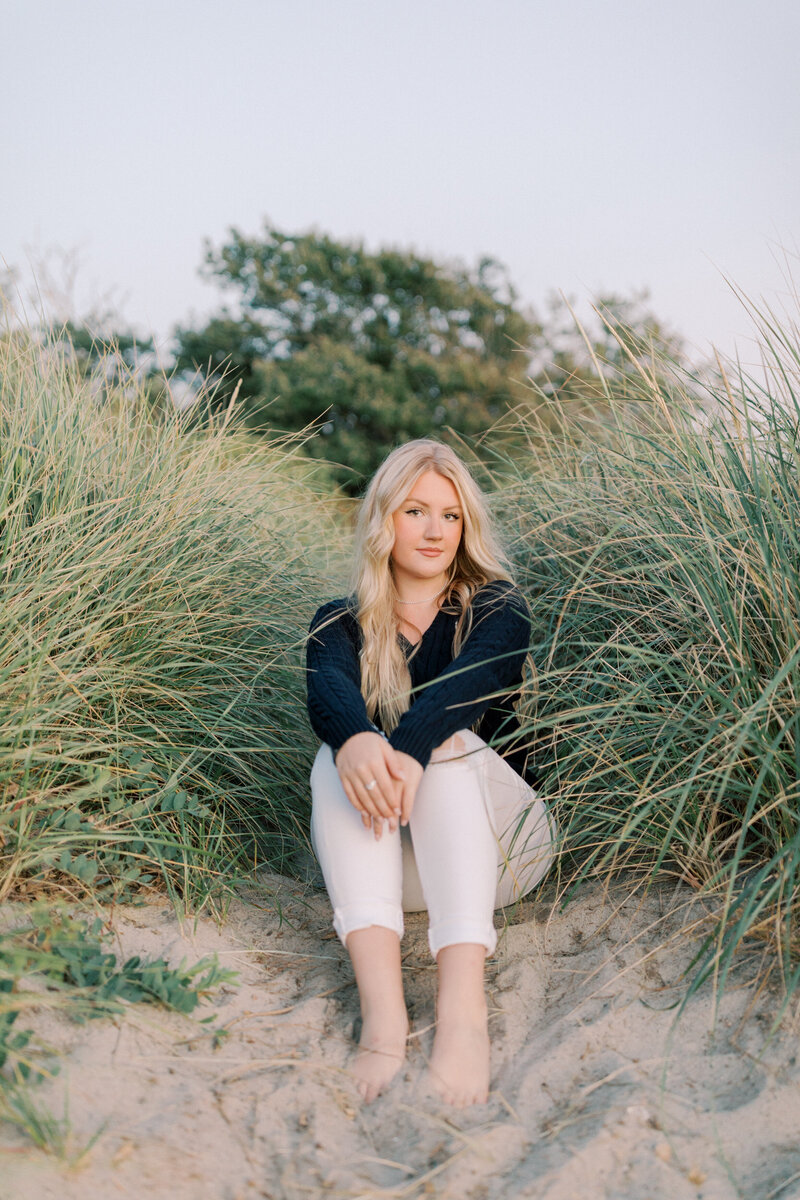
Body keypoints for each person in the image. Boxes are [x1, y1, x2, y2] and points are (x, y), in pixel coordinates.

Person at [305, 439, 556, 1107]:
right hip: (406, 869)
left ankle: (464, 1018)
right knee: (337, 753)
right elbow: (326, 686)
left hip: (506, 847)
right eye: (416, 510)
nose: (435, 530)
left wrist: (406, 746)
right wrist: (356, 739)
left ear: (466, 525)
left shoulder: (496, 607)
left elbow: (463, 694)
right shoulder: (339, 621)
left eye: (450, 515)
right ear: (383, 518)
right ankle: (384, 1021)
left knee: (440, 744)